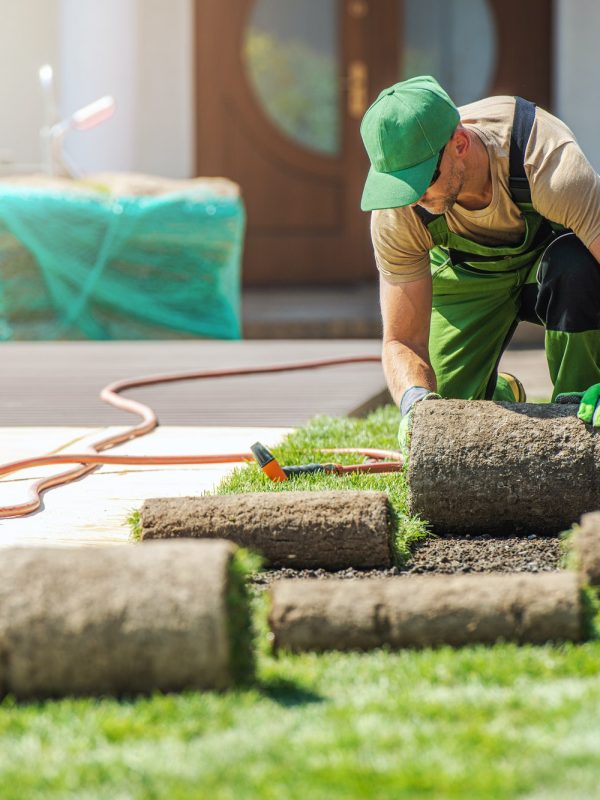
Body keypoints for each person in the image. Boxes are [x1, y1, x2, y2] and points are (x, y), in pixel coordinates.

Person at [360, 75, 600, 454]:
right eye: (400, 186)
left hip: (552, 268)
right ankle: (500, 389)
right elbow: (402, 339)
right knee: (449, 421)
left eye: (422, 180)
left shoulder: (547, 162)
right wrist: (415, 403)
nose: (413, 199)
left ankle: (579, 407)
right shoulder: (399, 212)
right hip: (468, 275)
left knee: (575, 264)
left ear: (460, 143)